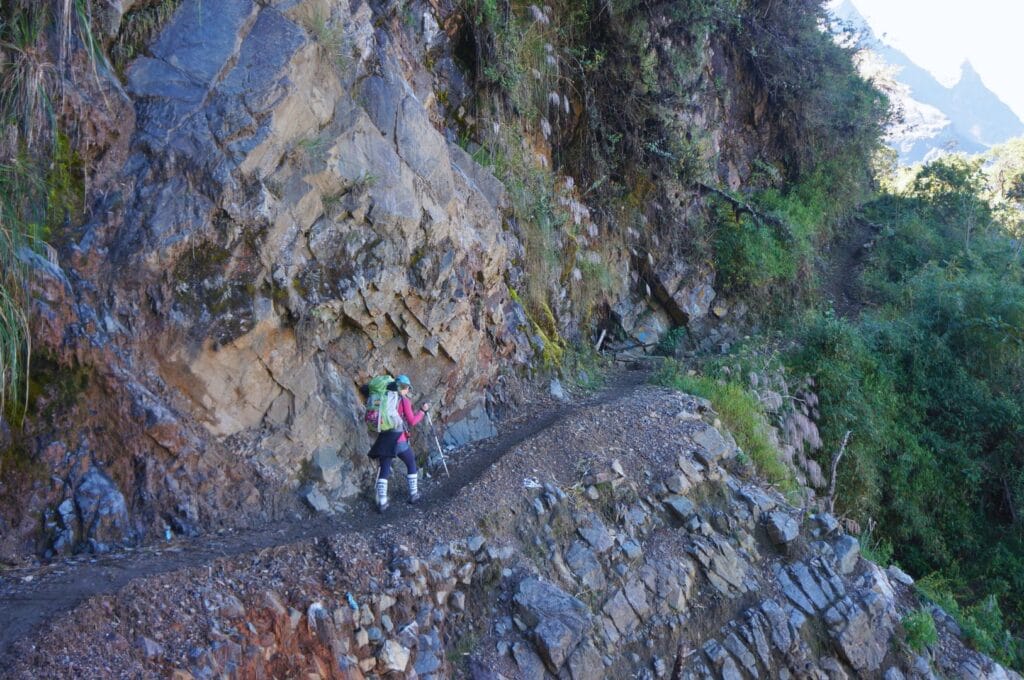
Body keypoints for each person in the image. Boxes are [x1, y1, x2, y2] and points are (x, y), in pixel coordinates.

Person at [374, 374, 430, 512]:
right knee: (411, 462)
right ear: (404, 388)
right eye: (408, 388)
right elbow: (412, 421)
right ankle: (414, 494)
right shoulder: (403, 400)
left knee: (385, 467)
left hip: (384, 439)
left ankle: (382, 502)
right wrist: (422, 411)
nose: (408, 391)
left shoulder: (384, 396)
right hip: (399, 439)